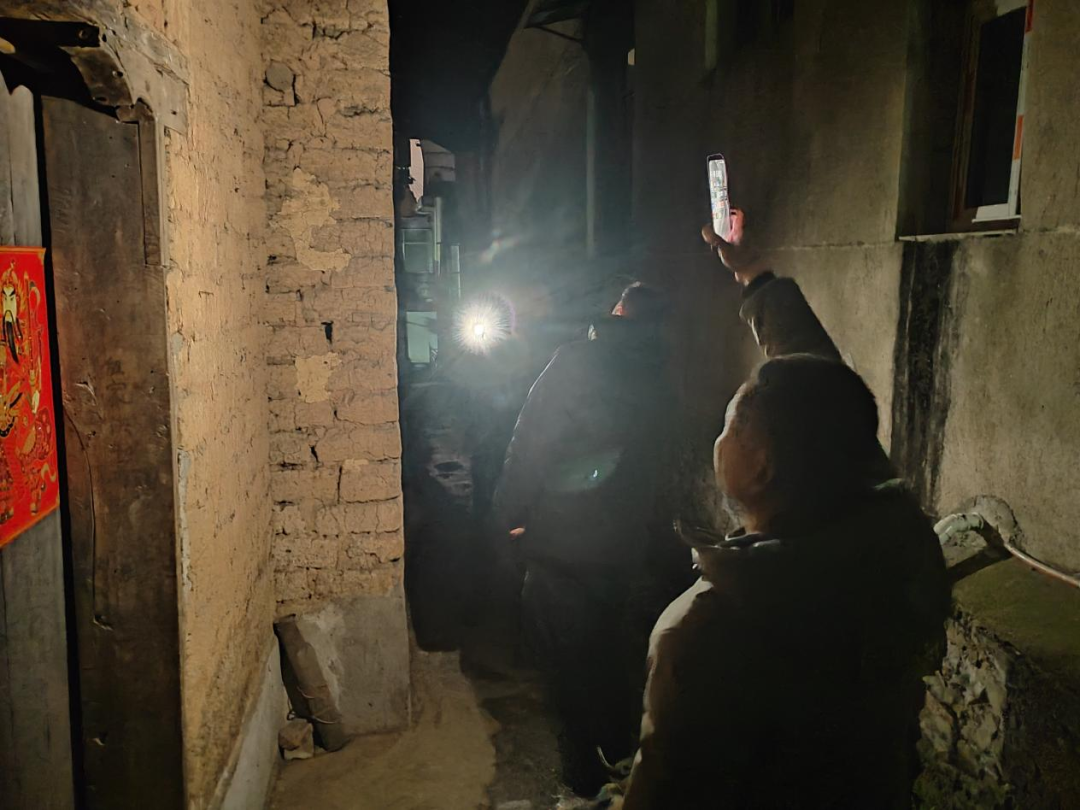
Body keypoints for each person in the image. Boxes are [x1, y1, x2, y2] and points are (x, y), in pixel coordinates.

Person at [615, 211, 950, 809]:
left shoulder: (706, 628)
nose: (719, 438)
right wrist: (754, 276)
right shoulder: (893, 542)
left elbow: (663, 791)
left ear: (763, 467)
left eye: (731, 424)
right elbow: (820, 393)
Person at [493, 282, 694, 796]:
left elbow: (531, 442)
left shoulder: (577, 361)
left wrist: (508, 512)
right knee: (607, 643)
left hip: (562, 539)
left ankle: (583, 772)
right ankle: (621, 752)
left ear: (619, 311)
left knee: (562, 659)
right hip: (622, 543)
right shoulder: (660, 374)